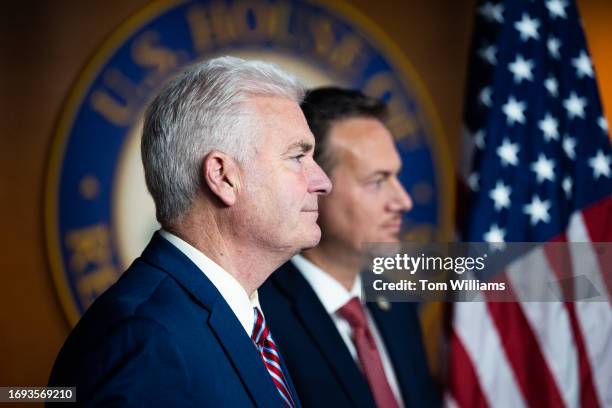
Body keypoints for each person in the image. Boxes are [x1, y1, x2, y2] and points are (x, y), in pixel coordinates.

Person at [48, 56, 332, 406]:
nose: (323, 181)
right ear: (223, 177)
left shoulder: (240, 315)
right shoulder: (144, 338)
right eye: (297, 157)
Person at [259, 87, 440, 408]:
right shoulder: (261, 321)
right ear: (314, 184)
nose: (403, 201)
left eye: (397, 177)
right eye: (377, 181)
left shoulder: (396, 303)